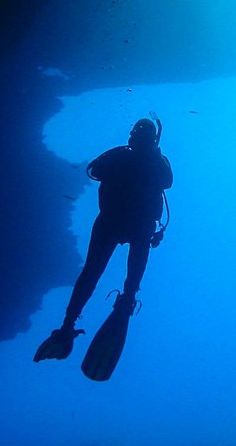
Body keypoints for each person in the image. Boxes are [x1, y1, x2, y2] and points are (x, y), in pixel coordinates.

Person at [34, 118, 173, 362]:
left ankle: (69, 323)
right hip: (133, 225)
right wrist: (151, 157)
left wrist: (133, 157)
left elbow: (94, 171)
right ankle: (124, 302)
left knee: (91, 273)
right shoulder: (151, 161)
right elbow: (166, 182)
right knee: (107, 274)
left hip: (113, 223)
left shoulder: (123, 157)